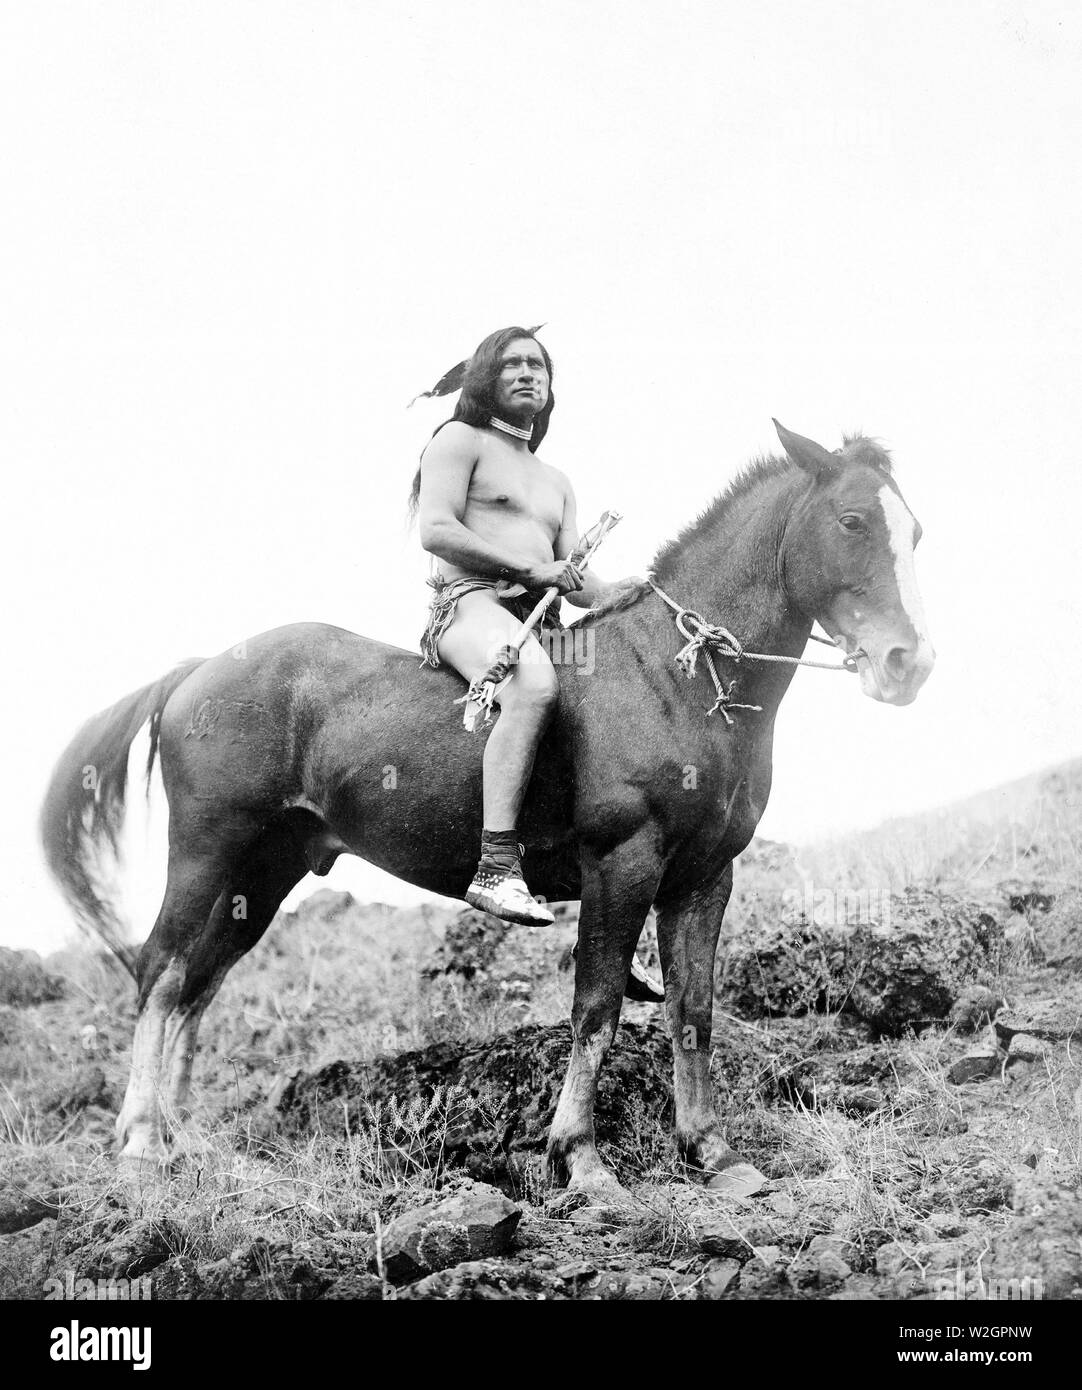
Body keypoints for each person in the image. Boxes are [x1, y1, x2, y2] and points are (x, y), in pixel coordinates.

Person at [409, 325, 616, 924]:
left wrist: (634, 591)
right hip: (470, 604)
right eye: (512, 364)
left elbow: (579, 583)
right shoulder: (458, 439)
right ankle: (495, 866)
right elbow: (437, 529)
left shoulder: (557, 482)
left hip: (538, 619)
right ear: (485, 378)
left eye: (538, 366)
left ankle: (602, 904)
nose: (528, 374)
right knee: (532, 684)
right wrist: (532, 567)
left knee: (613, 702)